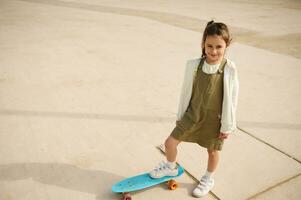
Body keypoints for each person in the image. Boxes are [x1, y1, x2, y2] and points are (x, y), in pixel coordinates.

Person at [149, 20, 239, 198]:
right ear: (203, 45)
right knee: (170, 143)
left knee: (212, 151)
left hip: (215, 119)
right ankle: (170, 167)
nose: (214, 51)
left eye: (219, 46)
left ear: (226, 45)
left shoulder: (229, 68)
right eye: (209, 46)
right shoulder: (194, 66)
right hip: (192, 115)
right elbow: (185, 92)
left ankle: (208, 178)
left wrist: (227, 126)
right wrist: (181, 115)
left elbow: (232, 98)